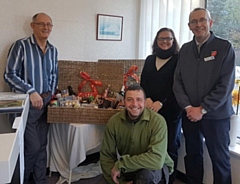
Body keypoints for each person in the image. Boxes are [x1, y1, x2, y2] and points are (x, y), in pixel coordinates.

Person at [173, 7, 235, 184]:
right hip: (190, 115)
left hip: (216, 116)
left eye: (202, 20)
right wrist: (188, 108)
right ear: (189, 26)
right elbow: (177, 82)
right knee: (192, 156)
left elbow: (226, 85)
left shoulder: (224, 47)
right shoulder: (184, 50)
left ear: (210, 22)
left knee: (220, 161)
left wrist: (203, 108)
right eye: (194, 21)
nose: (198, 24)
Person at [4, 13, 58, 184]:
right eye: (41, 24)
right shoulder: (20, 46)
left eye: (49, 24)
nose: (46, 27)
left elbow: (54, 75)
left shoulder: (53, 50)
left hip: (46, 103)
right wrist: (31, 91)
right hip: (27, 105)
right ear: (32, 26)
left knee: (42, 147)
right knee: (31, 147)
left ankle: (39, 180)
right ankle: (21, 180)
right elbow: (9, 74)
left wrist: (51, 93)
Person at [100, 85, 174, 184]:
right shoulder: (114, 122)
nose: (134, 104)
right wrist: (119, 182)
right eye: (130, 99)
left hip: (155, 168)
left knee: (144, 176)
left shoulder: (158, 121)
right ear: (124, 102)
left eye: (139, 99)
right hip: (129, 168)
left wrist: (122, 164)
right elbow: (106, 156)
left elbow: (156, 160)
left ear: (144, 102)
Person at [140, 27, 182, 184]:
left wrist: (161, 102)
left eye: (168, 39)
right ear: (156, 41)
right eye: (161, 39)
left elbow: (178, 86)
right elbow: (143, 81)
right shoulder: (150, 59)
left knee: (170, 148)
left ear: (173, 41)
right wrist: (148, 98)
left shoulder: (178, 60)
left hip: (171, 111)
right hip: (150, 110)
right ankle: (153, 179)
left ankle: (169, 180)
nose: (165, 42)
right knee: (150, 146)